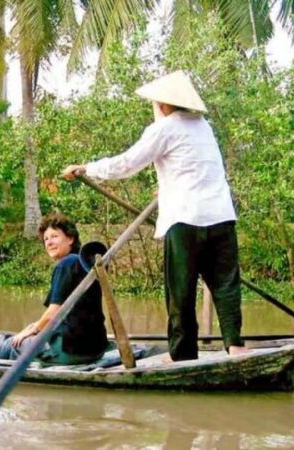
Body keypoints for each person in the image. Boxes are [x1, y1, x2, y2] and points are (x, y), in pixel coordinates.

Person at [62, 70, 249, 362]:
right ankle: (235, 346)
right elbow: (195, 167)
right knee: (226, 286)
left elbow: (126, 164)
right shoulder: (204, 127)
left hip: (185, 220)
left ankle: (182, 354)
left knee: (180, 290)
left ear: (163, 104)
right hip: (221, 216)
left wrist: (87, 168)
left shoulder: (165, 128)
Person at [0, 213, 109, 365]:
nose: (49, 243)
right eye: (46, 239)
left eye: (54, 236)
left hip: (71, 351)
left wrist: (34, 330)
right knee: (30, 329)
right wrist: (34, 327)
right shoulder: (85, 265)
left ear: (70, 239)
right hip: (96, 350)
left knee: (11, 344)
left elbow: (52, 314)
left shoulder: (65, 265)